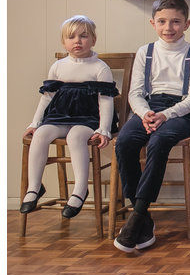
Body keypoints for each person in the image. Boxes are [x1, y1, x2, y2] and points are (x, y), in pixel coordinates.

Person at [114, 0, 190, 253]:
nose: (169, 28)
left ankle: (137, 215)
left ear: (186, 24)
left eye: (176, 22)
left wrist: (166, 115)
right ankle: (143, 217)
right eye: (163, 22)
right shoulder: (146, 52)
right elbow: (135, 93)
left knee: (159, 141)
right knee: (124, 143)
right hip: (148, 108)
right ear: (153, 23)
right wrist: (145, 113)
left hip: (179, 112)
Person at [21, 15, 118, 218]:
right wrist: (35, 123)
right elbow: (47, 98)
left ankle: (80, 189)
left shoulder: (100, 67)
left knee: (75, 137)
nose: (77, 41)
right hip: (59, 117)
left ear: (93, 40)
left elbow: (106, 101)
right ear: (63, 42)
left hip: (88, 119)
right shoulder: (58, 66)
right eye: (71, 37)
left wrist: (104, 129)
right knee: (41, 135)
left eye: (83, 36)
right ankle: (35, 187)